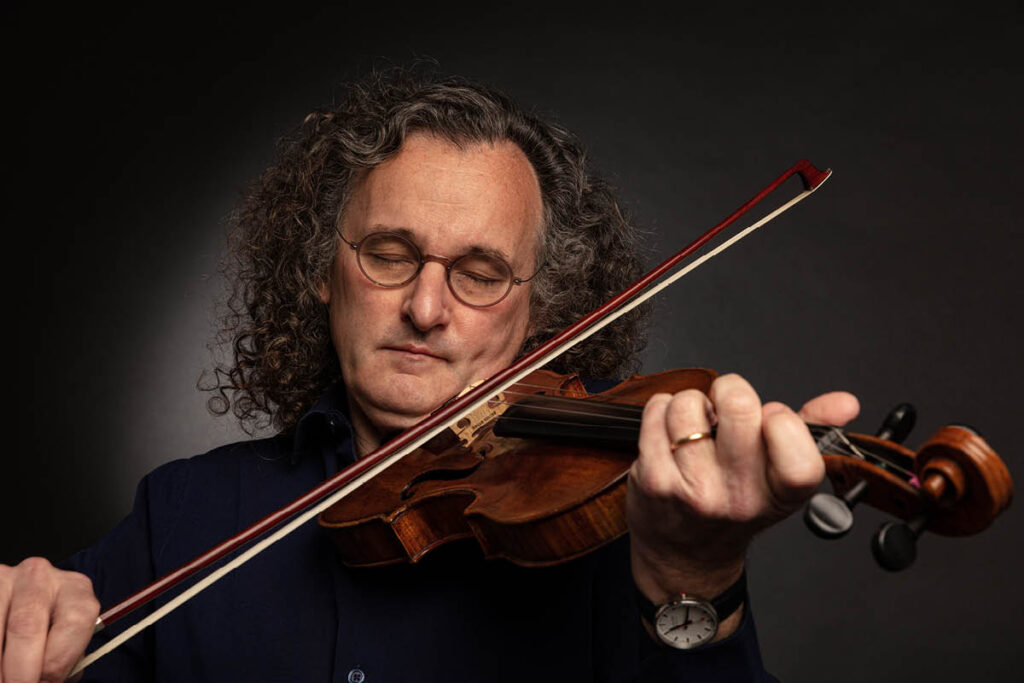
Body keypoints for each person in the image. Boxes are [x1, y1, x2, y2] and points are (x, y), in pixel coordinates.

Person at [0, 69, 859, 682]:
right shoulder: (183, 515)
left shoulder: (626, 525)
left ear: (542, 307)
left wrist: (693, 577)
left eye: (480, 273)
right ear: (323, 267)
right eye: (388, 254)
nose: (425, 306)